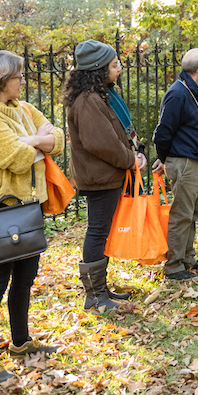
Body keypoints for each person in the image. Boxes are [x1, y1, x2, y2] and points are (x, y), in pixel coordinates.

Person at [0, 50, 65, 384]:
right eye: (18, 76)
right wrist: (37, 142)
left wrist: (32, 140)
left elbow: (59, 139)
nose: (23, 80)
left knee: (25, 277)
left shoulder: (21, 109)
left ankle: (20, 342)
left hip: (26, 207)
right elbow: (16, 157)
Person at [63, 40, 147, 311]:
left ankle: (101, 290)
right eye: (114, 65)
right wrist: (129, 160)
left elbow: (118, 132)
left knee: (102, 231)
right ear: (98, 69)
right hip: (99, 177)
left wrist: (136, 153)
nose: (119, 68)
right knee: (97, 231)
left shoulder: (101, 95)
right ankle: (95, 295)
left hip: (108, 174)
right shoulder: (88, 100)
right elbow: (99, 142)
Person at [152, 48, 198, 281]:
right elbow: (162, 133)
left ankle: (188, 258)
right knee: (182, 214)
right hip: (185, 160)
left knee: (193, 212)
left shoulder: (195, 90)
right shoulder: (178, 93)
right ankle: (174, 266)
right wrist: (165, 157)